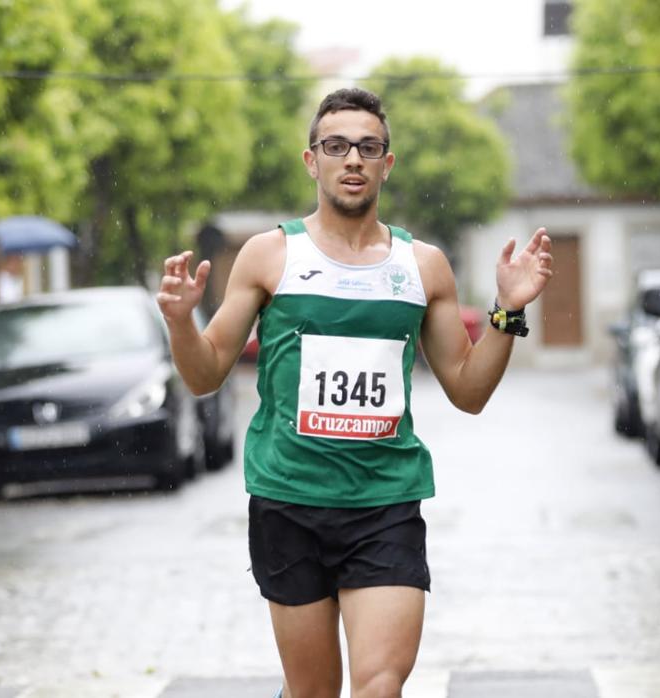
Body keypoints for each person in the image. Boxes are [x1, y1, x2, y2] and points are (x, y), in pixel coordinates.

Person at [156, 87, 553, 698]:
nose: (352, 160)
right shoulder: (270, 255)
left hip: (385, 503)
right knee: (314, 691)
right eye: (336, 146)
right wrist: (182, 322)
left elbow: (469, 391)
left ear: (386, 164)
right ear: (311, 160)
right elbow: (204, 374)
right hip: (288, 500)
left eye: (368, 147)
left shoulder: (422, 265)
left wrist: (506, 311)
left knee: (380, 686)